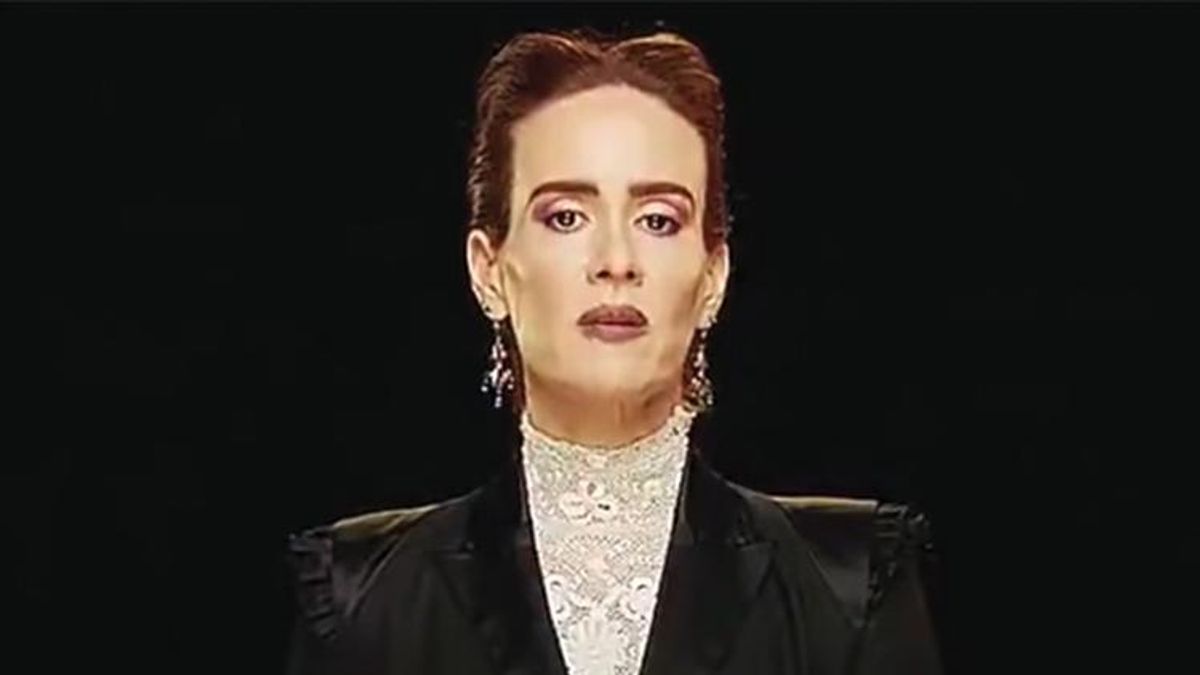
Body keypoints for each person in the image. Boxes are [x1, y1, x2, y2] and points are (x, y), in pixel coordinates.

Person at [286, 27, 942, 675]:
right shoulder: (364, 596)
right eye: (566, 216)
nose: (616, 260)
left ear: (712, 277)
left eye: (658, 220)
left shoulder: (848, 585)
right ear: (490, 271)